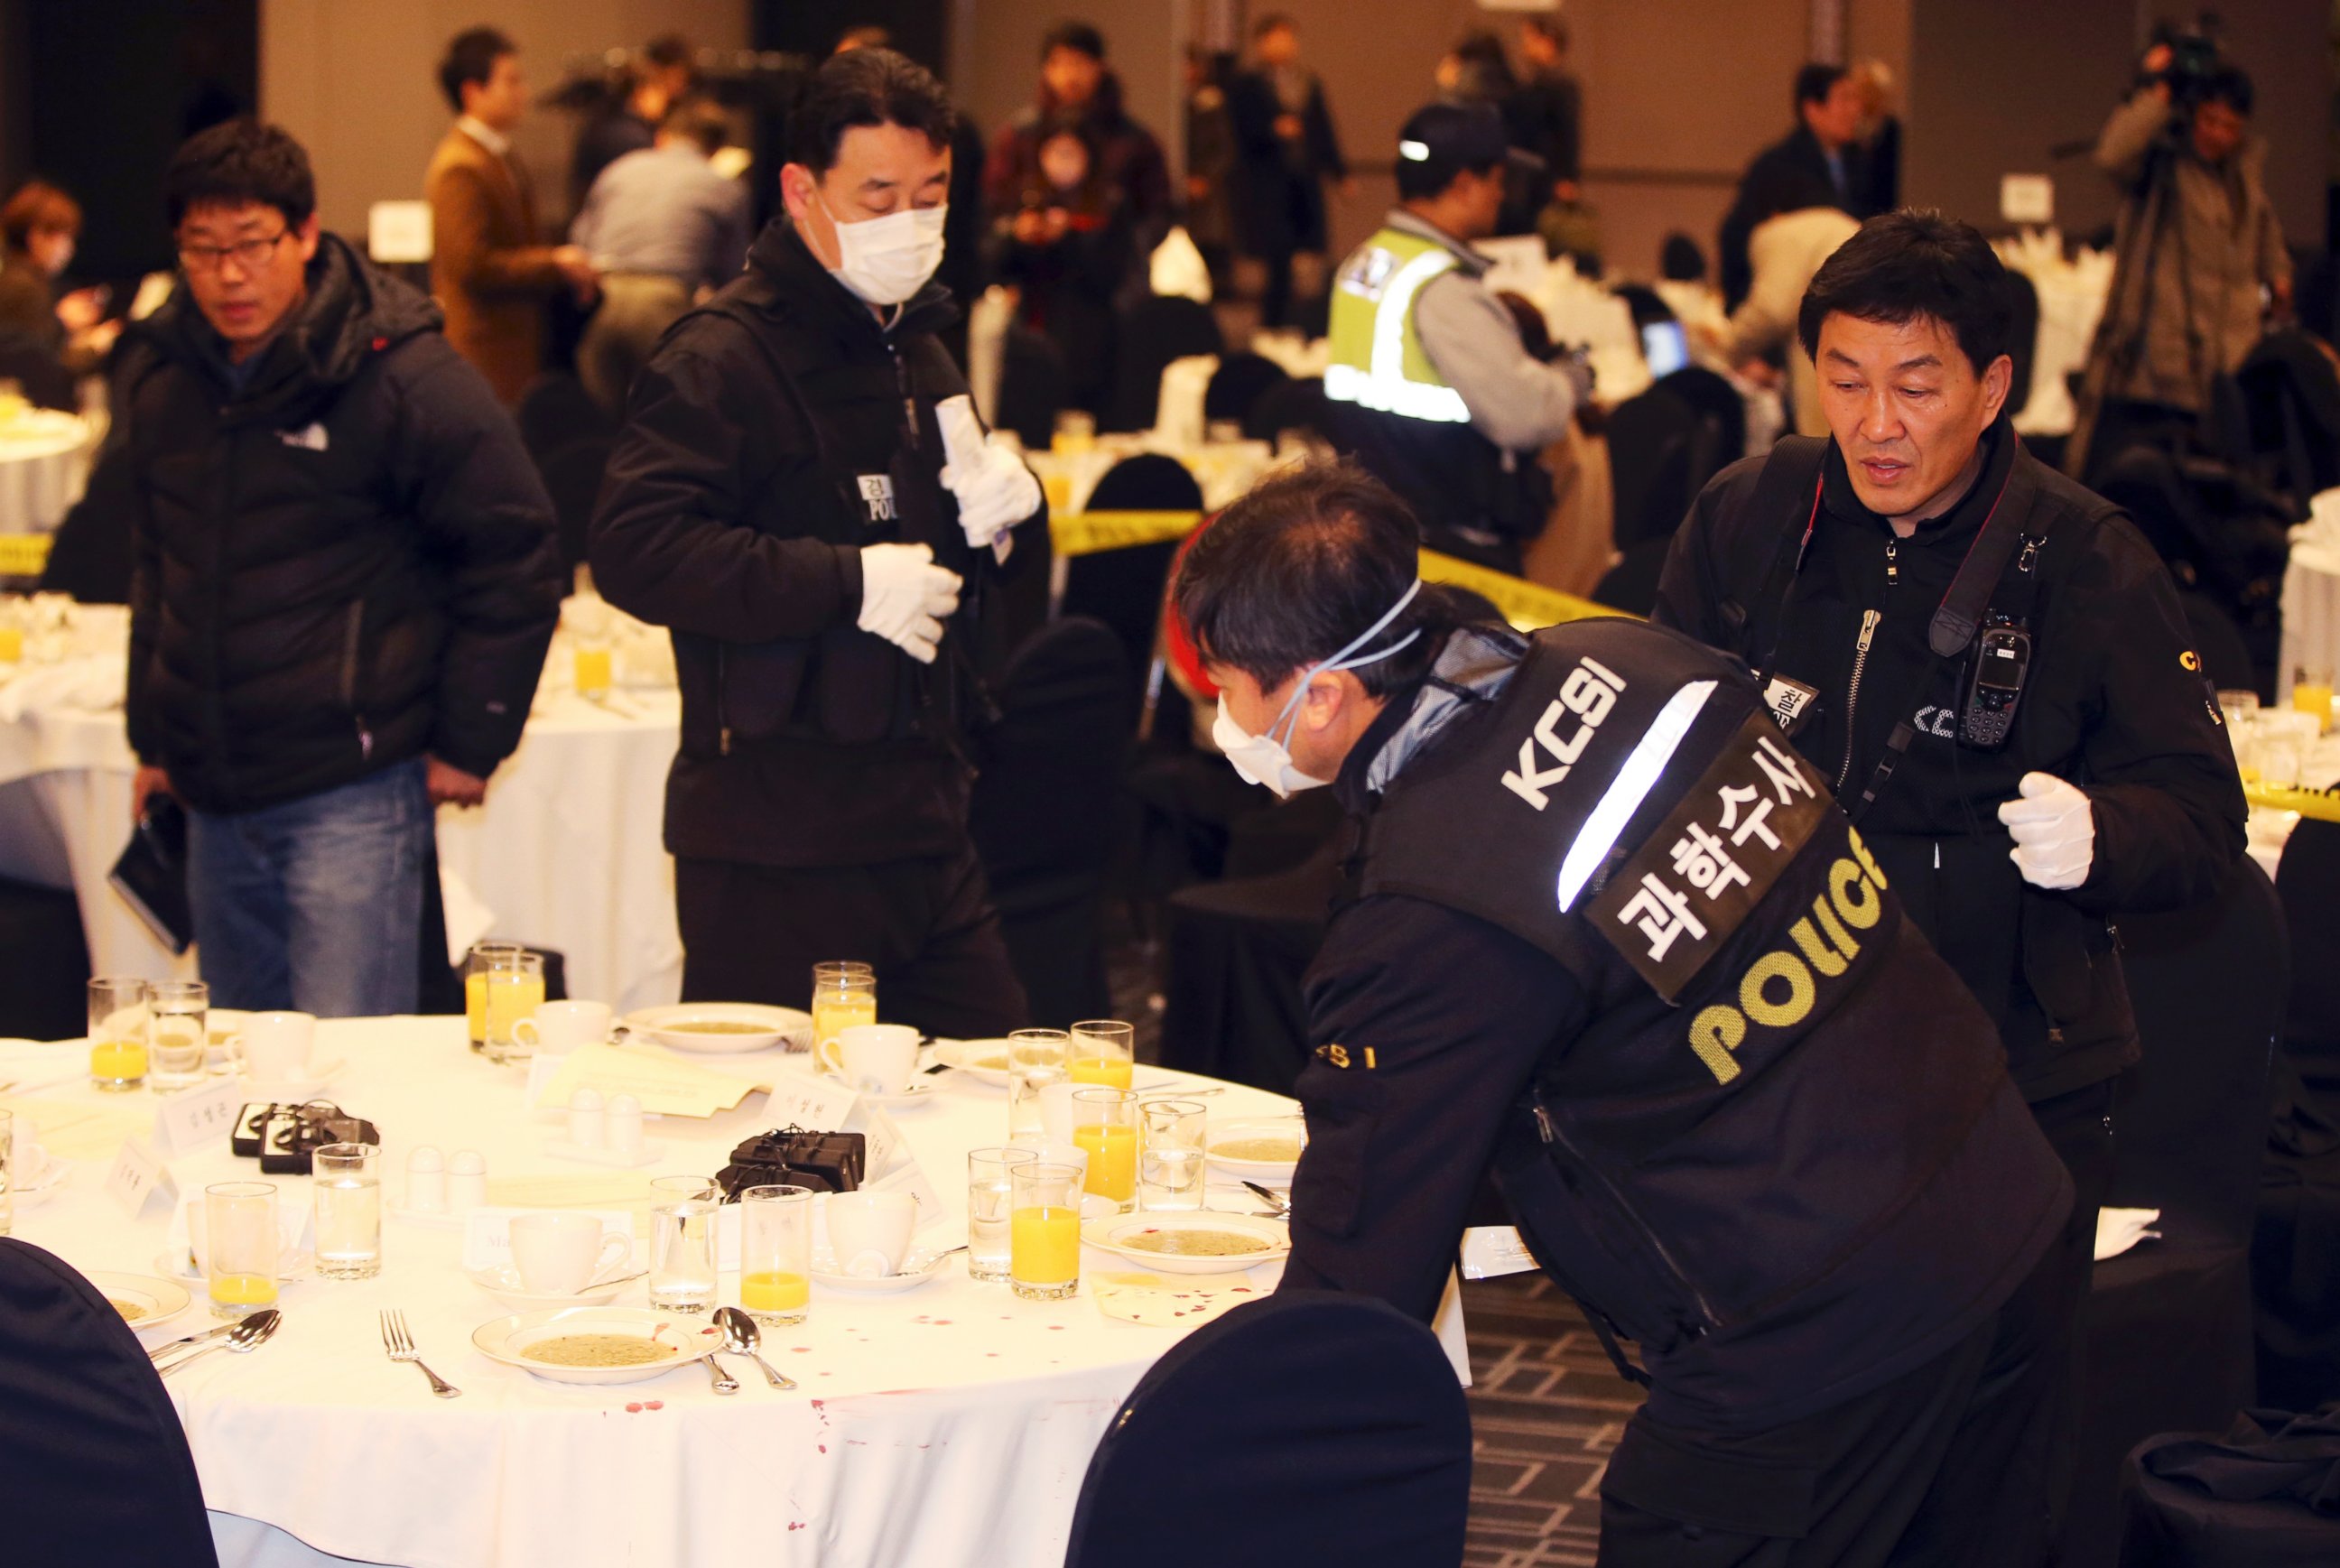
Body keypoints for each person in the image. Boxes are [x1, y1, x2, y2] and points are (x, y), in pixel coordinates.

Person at [1175, 459, 2075, 1563]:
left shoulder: (1434, 906)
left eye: (1230, 686)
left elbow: (1362, 1279)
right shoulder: (1633, 654)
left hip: (1815, 1312)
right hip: (1999, 1185)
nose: (1224, 716)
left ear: (1321, 694)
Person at [1652, 209, 2247, 1533]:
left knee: (1984, 1488)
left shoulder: (2088, 559)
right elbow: (1651, 744)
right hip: (1778, 1078)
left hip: (2013, 1088)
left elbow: (2202, 817)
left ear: (1992, 386)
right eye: (1846, 380)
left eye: (1916, 387)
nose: (1877, 423)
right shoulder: (1748, 516)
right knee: (1790, 1461)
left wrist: (2104, 835)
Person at [589, 47, 1045, 1036]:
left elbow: (944, 576)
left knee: (990, 1101)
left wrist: (1007, 523)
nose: (910, 223)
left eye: (932, 194)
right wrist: (843, 583)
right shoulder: (720, 357)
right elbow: (636, 545)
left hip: (923, 822)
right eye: (877, 195)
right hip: (772, 840)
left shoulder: (916, 345)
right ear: (802, 192)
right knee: (774, 1143)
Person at [107, 120, 562, 1016]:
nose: (229, 275)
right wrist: (153, 740)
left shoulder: (400, 373)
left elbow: (516, 547)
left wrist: (472, 738)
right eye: (203, 252)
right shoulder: (168, 377)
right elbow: (160, 565)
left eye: (251, 246)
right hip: (211, 789)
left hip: (352, 790)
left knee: (353, 1075)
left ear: (307, 235)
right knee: (243, 1066)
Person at [1320, 101, 1586, 573]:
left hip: (1377, 526)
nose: (1501, 197)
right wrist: (1571, 381)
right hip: (1451, 544)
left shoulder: (1365, 262)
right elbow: (1525, 416)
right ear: (1465, 185)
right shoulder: (1442, 289)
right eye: (1498, 182)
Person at [2068, 46, 2289, 482]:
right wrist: (2160, 92)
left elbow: (2262, 234)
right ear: (2192, 115)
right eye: (2211, 121)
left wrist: (2279, 276)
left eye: (2231, 126)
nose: (2220, 135)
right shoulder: (2158, 163)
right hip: (2157, 365)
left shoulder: (2243, 173)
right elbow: (2113, 154)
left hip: (2226, 363)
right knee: (2135, 479)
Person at [425, 27, 597, 405]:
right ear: (473, 91)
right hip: (485, 348)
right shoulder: (461, 164)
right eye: (511, 81)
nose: (524, 93)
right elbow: (472, 265)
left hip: (511, 342)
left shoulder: (495, 154)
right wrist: (555, 262)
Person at [569, 96, 752, 415]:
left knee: (599, 427)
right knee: (669, 419)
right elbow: (732, 276)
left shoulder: (619, 168)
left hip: (600, 304)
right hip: (663, 304)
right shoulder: (723, 186)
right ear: (715, 150)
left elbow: (579, 241)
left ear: (662, 137)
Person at [986, 22, 1172, 261]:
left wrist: (1117, 246)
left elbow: (1157, 212)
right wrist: (1016, 228)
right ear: (1046, 69)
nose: (1070, 75)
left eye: (1079, 63)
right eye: (1059, 63)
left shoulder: (1133, 139)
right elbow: (993, 206)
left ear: (1100, 67)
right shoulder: (1021, 135)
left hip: (1109, 278)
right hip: (1034, 271)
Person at [987, 125, 1132, 417]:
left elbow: (1110, 276)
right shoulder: (1026, 198)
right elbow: (996, 269)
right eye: (1055, 152)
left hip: (1090, 342)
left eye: (1070, 153)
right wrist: (1017, 238)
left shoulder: (1109, 203)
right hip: (1034, 333)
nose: (1062, 163)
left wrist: (1068, 237)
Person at [1227, 14, 1347, 331]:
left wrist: (1339, 172)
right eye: (1277, 37)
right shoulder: (1247, 84)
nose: (1285, 44)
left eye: (1289, 37)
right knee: (1275, 258)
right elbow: (1239, 132)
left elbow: (1323, 129)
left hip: (1303, 180)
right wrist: (1272, 130)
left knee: (1310, 260)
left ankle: (1305, 327)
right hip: (1267, 183)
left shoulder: (1307, 81)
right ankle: (1273, 326)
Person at [1717, 63, 1868, 311]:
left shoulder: (1861, 161)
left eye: (1855, 99)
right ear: (1812, 109)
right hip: (1795, 306)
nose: (1855, 109)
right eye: (1844, 99)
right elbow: (1736, 236)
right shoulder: (1777, 167)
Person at [1720, 204, 1862, 435]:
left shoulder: (1776, 232)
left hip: (1829, 357)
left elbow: (1771, 311)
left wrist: (1726, 349)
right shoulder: (1841, 223)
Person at [0, 181, 119, 379]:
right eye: (65, 237)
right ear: (37, 236)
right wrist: (98, 344)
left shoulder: (18, 278)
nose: (69, 249)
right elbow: (45, 367)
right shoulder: (24, 286)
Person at [571, 32, 695, 208]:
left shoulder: (609, 120)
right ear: (641, 92)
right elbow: (648, 189)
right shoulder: (631, 138)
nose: (666, 100)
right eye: (658, 89)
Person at [1501, 14, 1583, 234]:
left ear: (1548, 42)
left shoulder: (1561, 86)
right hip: (1530, 177)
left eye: (1530, 39)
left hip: (1547, 178)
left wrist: (1567, 178)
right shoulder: (1532, 84)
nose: (1525, 46)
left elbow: (1569, 133)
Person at [1852, 58, 1901, 213]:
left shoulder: (1894, 131)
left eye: (1870, 90)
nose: (1864, 96)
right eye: (1861, 89)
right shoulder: (1848, 129)